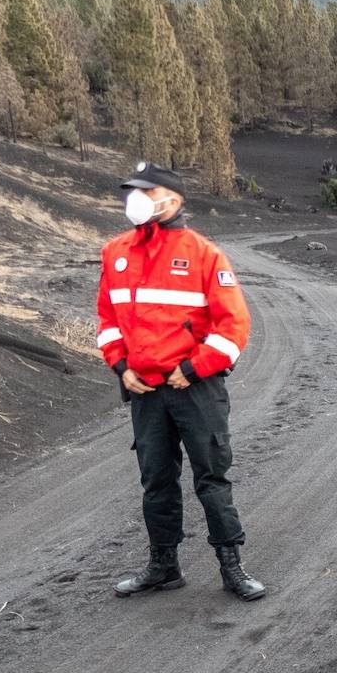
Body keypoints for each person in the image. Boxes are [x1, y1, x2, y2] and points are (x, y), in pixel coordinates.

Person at [95, 161, 265, 601]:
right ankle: (163, 567)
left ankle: (233, 568)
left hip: (196, 389)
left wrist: (192, 368)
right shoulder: (115, 253)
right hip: (146, 392)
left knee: (211, 478)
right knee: (156, 481)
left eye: (147, 191)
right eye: (134, 191)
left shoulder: (205, 254)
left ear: (173, 199)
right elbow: (108, 320)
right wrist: (121, 366)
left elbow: (235, 328)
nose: (137, 199)